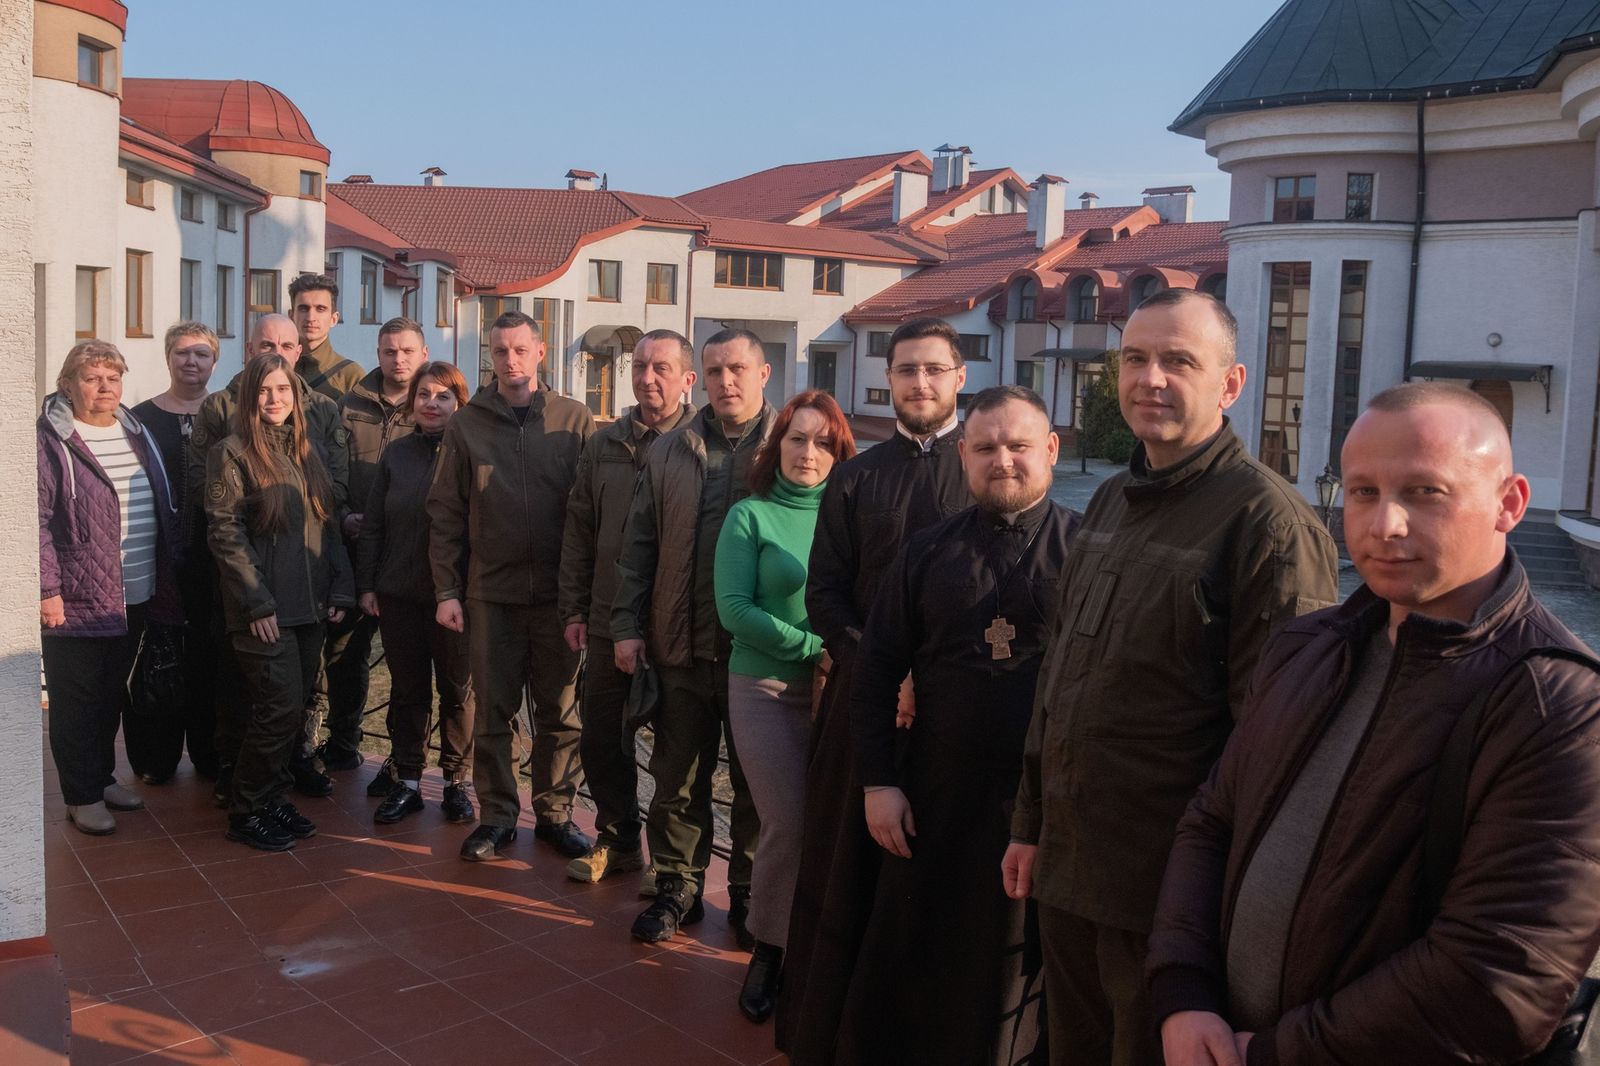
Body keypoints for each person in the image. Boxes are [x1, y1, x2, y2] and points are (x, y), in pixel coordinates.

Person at [1148, 383, 1600, 1065]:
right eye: (1363, 492)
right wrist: (1183, 993)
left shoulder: (1558, 704)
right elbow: (1212, 822)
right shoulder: (1307, 646)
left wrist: (1273, 1053)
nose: (1385, 523)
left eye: (1425, 493)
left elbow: (1497, 976)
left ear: (1509, 503)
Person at [1001, 288, 1339, 1066]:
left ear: (1231, 384)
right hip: (1070, 869)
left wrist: (1215, 910)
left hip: (1164, 896)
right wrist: (1029, 822)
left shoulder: (1269, 525)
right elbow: (1061, 681)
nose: (1150, 378)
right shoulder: (1111, 498)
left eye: (1178, 361)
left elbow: (1277, 747)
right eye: (1135, 358)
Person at [838, 386, 1072, 1064]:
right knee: (924, 960)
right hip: (935, 794)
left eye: (1019, 446)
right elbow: (875, 671)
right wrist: (878, 781)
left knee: (1025, 972)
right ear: (964, 454)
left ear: (1051, 449)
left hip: (1043, 804)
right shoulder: (926, 551)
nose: (1003, 460)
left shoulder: (1088, 551)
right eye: (987, 447)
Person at [782, 316, 973, 1060]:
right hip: (865, 703)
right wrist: (885, 672)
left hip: (959, 713)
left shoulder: (985, 468)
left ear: (959, 377)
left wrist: (933, 679)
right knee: (844, 866)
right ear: (886, 380)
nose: (920, 383)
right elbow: (825, 595)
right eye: (906, 370)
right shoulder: (855, 477)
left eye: (934, 369)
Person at [612, 327, 777, 945]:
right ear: (699, 378)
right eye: (713, 372)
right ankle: (677, 884)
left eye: (737, 369)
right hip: (680, 645)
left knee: (758, 781)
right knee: (677, 778)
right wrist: (626, 627)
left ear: (763, 374)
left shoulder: (791, 446)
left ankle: (751, 889)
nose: (725, 382)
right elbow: (639, 546)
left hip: (759, 654)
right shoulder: (672, 449)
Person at [429, 311, 594, 862]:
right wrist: (447, 590)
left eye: (521, 350)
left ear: (540, 352)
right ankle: (498, 816)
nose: (510, 360)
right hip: (490, 596)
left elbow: (591, 512)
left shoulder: (573, 419)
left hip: (558, 598)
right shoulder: (467, 424)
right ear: (490, 356)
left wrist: (584, 597)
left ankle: (554, 813)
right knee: (493, 713)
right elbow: (445, 511)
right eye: (500, 351)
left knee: (560, 713)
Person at [715, 389, 857, 1023]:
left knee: (833, 823)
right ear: (777, 446)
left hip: (840, 691)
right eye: (797, 439)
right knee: (790, 822)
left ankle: (819, 948)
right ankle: (769, 950)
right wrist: (815, 647)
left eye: (824, 442)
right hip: (765, 690)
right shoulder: (750, 516)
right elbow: (734, 610)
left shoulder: (850, 516)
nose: (808, 453)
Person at [187, 313, 350, 803]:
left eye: (283, 390)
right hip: (261, 604)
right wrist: (256, 602)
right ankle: (247, 803)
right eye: (264, 391)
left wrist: (340, 585)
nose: (274, 399)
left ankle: (273, 796)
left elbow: (326, 521)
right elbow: (225, 532)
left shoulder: (308, 450)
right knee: (269, 706)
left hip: (307, 603)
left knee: (292, 707)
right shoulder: (231, 450)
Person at [558, 329, 696, 886]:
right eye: (639, 366)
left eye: (661, 368)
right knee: (601, 740)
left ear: (687, 379)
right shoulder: (604, 444)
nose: (647, 378)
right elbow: (579, 530)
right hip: (607, 618)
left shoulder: (699, 445)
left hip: (677, 624)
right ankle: (617, 842)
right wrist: (574, 609)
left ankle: (671, 864)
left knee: (676, 755)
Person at [38, 341, 181, 836]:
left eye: (113, 378)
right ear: (67, 385)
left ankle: (100, 778)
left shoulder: (134, 430)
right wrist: (47, 589)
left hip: (132, 590)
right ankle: (81, 796)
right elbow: (36, 520)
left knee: (108, 694)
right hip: (77, 596)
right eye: (91, 377)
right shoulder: (51, 440)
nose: (104, 387)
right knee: (76, 700)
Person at [357, 361, 475, 825]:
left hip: (456, 599)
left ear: (459, 404)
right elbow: (374, 525)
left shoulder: (471, 454)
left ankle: (456, 782)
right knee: (408, 691)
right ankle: (407, 780)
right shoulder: (397, 455)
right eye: (424, 394)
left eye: (444, 396)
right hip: (400, 593)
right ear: (412, 402)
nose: (432, 404)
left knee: (457, 691)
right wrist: (368, 583)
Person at [315, 317, 422, 785]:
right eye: (389, 351)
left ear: (422, 354)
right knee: (345, 654)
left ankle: (402, 759)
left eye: (407, 351)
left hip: (410, 556)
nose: (398, 359)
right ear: (378, 354)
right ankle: (344, 742)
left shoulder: (435, 403)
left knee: (407, 664)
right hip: (356, 549)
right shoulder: (350, 403)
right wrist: (342, 515)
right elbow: (331, 471)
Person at [128, 321, 221, 783]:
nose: (191, 361)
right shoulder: (139, 419)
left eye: (202, 354)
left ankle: (209, 750)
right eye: (183, 352)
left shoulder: (228, 413)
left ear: (214, 362)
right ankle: (155, 756)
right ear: (168, 358)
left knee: (208, 654)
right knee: (157, 653)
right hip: (157, 557)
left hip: (215, 557)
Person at [289, 272, 363, 400]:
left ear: (334, 319)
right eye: (303, 309)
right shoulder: (276, 369)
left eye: (320, 309)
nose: (311, 318)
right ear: (291, 316)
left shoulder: (350, 376)